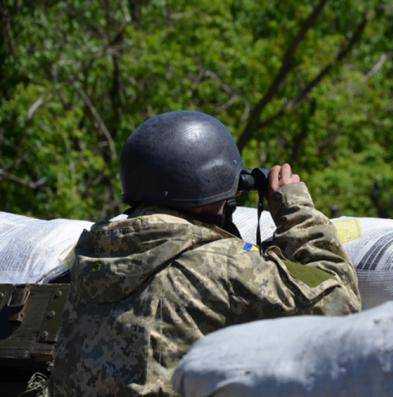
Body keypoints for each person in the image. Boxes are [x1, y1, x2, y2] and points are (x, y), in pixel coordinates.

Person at [50, 111, 361, 396]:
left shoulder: (93, 254)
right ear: (210, 192)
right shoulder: (217, 263)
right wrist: (296, 211)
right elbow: (340, 302)